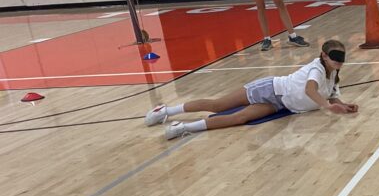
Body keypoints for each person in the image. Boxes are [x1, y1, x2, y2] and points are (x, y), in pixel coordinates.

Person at [144, 40, 357, 140]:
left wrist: (343, 105)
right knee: (218, 105)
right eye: (335, 58)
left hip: (281, 105)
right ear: (324, 55)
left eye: (341, 59)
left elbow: (332, 96)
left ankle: (184, 127)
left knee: (240, 118)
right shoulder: (317, 69)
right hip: (270, 89)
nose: (339, 62)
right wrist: (328, 107)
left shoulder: (333, 75)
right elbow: (311, 90)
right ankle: (166, 111)